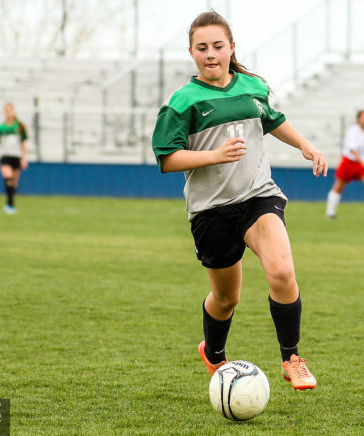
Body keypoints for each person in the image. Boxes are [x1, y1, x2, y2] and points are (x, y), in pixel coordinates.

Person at [151, 11, 327, 391]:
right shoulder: (183, 102)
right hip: (210, 211)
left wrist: (305, 145)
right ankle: (213, 352)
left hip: (257, 196)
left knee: (281, 270)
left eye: (218, 46)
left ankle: (291, 358)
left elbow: (273, 119)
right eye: (202, 48)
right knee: (226, 298)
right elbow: (167, 159)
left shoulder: (250, 87)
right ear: (192, 53)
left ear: (232, 48)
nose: (211, 54)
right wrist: (214, 155)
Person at [326, 110, 364, 220]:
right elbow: (352, 149)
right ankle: (330, 213)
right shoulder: (352, 131)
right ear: (358, 120)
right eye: (363, 118)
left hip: (361, 162)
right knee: (338, 187)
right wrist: (363, 161)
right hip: (349, 161)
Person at [0, 103, 28, 214]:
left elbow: (24, 144)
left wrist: (24, 158)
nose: (8, 112)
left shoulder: (20, 127)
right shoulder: (0, 128)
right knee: (8, 178)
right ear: (4, 112)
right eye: (6, 110)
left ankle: (10, 203)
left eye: (10, 110)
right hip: (5, 156)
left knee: (14, 183)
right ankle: (9, 206)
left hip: (16, 156)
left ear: (13, 111)